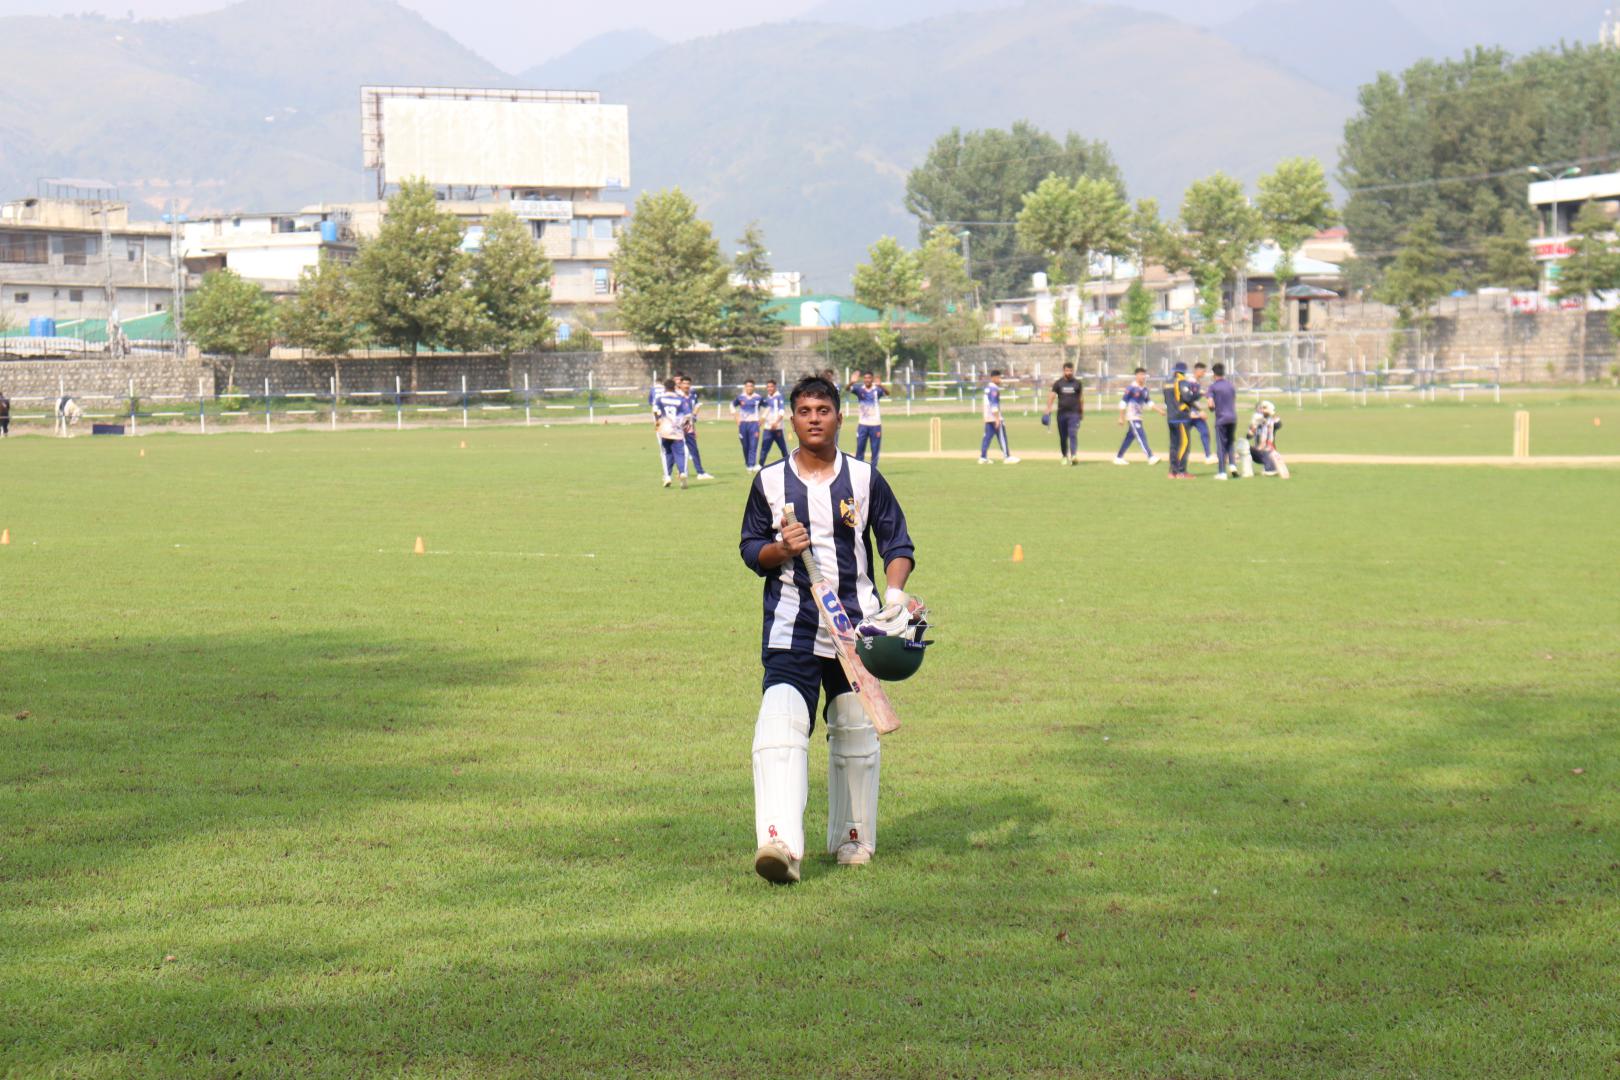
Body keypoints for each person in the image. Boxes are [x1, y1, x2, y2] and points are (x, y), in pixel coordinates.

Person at [738, 374, 918, 883]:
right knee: (779, 729)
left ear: (840, 416)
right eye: (804, 411)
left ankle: (852, 837)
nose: (814, 419)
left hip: (856, 631)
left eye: (823, 410)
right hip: (791, 628)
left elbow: (897, 544)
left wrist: (894, 601)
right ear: (791, 419)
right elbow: (751, 550)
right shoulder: (769, 482)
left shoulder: (864, 478)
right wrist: (781, 549)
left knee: (855, 734)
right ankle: (780, 845)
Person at [1114, 367, 1162, 465]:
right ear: (1136, 376)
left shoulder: (1144, 389)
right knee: (1141, 435)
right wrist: (1121, 418)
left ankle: (1119, 457)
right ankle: (1150, 457)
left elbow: (1149, 402)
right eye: (1141, 374)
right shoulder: (1131, 388)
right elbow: (1123, 403)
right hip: (1132, 417)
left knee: (1129, 437)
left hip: (1139, 417)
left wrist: (1159, 410)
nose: (1143, 377)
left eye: (1144, 375)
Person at [1161, 362, 1199, 478]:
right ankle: (1181, 471)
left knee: (1174, 445)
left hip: (1171, 417)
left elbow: (1167, 400)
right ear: (1184, 371)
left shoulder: (1167, 383)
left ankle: (1172, 472)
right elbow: (1188, 397)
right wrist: (1197, 394)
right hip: (1181, 417)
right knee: (1184, 444)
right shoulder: (1182, 382)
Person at [651, 378, 689, 489]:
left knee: (667, 453)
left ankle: (667, 476)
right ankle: (682, 472)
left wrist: (658, 421)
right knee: (680, 452)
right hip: (676, 429)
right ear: (674, 388)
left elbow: (655, 410)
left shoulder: (660, 399)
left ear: (665, 387)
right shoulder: (680, 400)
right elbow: (687, 415)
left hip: (664, 429)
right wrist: (684, 425)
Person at [1044, 361, 1084, 465]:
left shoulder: (1077, 383)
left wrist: (1081, 412)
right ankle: (1064, 456)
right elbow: (1052, 396)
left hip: (1074, 414)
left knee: (1073, 434)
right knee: (1063, 437)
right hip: (1062, 414)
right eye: (1067, 370)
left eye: (1070, 371)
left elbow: (1081, 398)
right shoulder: (1058, 383)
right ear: (1063, 371)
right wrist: (1048, 409)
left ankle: (1074, 456)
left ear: (1073, 371)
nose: (1068, 373)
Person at [977, 369, 1020, 465]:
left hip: (988, 417)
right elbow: (994, 405)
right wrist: (997, 419)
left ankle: (983, 457)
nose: (1000, 380)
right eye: (998, 377)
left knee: (987, 438)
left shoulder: (987, 388)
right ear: (993, 378)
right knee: (1002, 437)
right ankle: (1007, 457)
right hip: (994, 417)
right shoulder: (994, 389)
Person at [676, 374, 714, 480]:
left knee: (694, 450)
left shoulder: (693, 396)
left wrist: (694, 420)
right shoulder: (676, 396)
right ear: (680, 385)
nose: (686, 385)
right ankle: (681, 471)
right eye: (684, 383)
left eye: (688, 383)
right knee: (680, 450)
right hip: (678, 427)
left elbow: (696, 407)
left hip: (689, 427)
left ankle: (700, 472)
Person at [847, 371, 887, 467]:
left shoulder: (876, 390)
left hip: (875, 424)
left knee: (875, 449)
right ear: (863, 379)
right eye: (865, 378)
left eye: (869, 378)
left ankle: (874, 469)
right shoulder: (859, 389)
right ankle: (859, 469)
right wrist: (852, 382)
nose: (867, 380)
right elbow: (847, 389)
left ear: (872, 379)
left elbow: (887, 393)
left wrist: (881, 385)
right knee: (860, 448)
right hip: (863, 424)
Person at [1208, 363, 1239, 479]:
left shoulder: (1213, 387)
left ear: (1214, 374)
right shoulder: (1231, 385)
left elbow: (1210, 404)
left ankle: (1222, 472)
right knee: (1230, 442)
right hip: (1232, 417)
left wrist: (1212, 409)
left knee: (1221, 445)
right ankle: (1232, 465)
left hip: (1221, 418)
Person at [1247, 400, 1288, 478]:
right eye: (1260, 408)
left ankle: (1270, 468)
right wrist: (1253, 427)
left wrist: (1272, 413)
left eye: (1263, 408)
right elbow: (1248, 436)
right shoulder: (1256, 421)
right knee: (1244, 448)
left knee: (1266, 450)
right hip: (1257, 452)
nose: (1261, 410)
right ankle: (1247, 471)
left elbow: (1279, 424)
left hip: (1269, 451)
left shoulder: (1271, 421)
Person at [733, 379, 764, 472]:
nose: (749, 388)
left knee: (753, 445)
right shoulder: (740, 397)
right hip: (743, 424)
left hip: (754, 424)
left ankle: (751, 464)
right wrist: (736, 418)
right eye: (747, 386)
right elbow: (732, 405)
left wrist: (763, 418)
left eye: (751, 386)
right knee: (745, 445)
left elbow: (768, 407)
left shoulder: (758, 397)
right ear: (745, 387)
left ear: (753, 387)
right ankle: (748, 463)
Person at [1189, 362, 1215, 464]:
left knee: (1204, 432)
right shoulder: (1190, 382)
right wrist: (1199, 412)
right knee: (1182, 435)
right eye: (1203, 371)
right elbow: (1188, 399)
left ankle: (1208, 456)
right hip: (1189, 413)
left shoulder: (1197, 383)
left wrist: (1209, 398)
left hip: (1196, 413)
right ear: (1197, 371)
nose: (1204, 373)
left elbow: (1201, 393)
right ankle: (1177, 455)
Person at [757, 379, 788, 466]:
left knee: (783, 449)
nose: (769, 388)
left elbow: (782, 411)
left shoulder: (779, 397)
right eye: (768, 387)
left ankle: (789, 465)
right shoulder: (767, 398)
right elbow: (766, 411)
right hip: (768, 428)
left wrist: (776, 422)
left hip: (778, 428)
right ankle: (760, 466)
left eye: (771, 386)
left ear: (775, 387)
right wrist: (761, 420)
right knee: (764, 448)